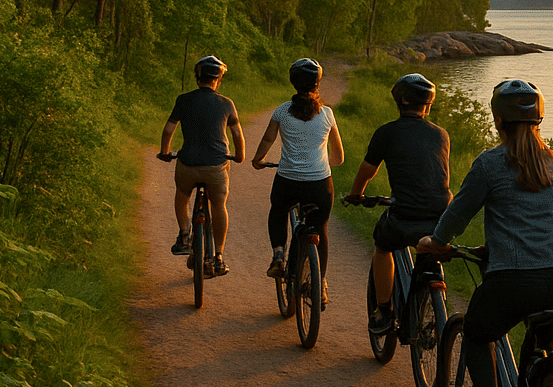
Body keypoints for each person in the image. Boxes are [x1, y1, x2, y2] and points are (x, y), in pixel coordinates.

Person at [418, 79, 553, 387]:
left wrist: (435, 243)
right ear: (539, 119)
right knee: (541, 350)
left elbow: (457, 213)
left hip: (513, 283)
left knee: (477, 332)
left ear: (498, 120)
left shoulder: (490, 163)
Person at [346, 73, 451, 336]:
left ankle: (384, 310)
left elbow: (367, 170)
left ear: (401, 100)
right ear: (427, 104)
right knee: (429, 249)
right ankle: (436, 302)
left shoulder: (387, 133)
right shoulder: (441, 135)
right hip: (441, 215)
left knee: (383, 247)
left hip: (405, 215)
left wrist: (356, 194)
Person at [251, 59, 344, 298]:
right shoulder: (327, 114)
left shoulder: (282, 110)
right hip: (319, 185)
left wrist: (258, 159)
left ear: (293, 82)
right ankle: (320, 285)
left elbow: (267, 139)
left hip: (288, 181)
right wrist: (324, 162)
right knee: (320, 228)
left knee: (278, 210)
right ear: (318, 82)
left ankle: (279, 254)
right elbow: (339, 157)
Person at [159, 55, 244, 277]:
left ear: (198, 77)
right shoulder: (227, 103)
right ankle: (218, 256)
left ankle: (185, 234)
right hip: (216, 166)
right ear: (218, 80)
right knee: (219, 204)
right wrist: (240, 156)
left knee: (182, 194)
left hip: (188, 163)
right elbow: (237, 134)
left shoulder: (183, 100)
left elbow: (169, 129)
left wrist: (166, 152)